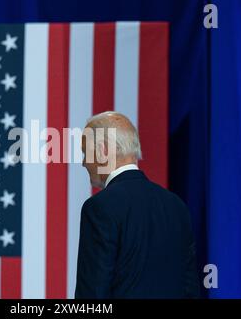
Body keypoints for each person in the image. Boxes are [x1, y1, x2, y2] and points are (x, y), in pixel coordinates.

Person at [75, 111, 200, 298]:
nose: (84, 162)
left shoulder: (99, 208)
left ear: (103, 151)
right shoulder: (176, 206)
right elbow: (190, 290)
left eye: (86, 152)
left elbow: (93, 295)